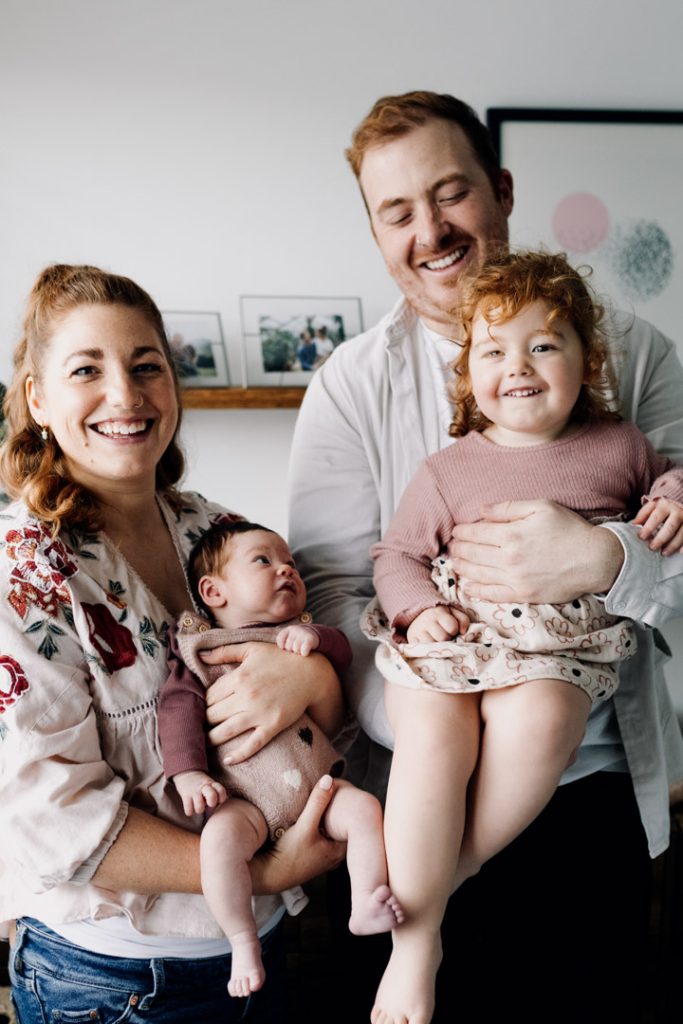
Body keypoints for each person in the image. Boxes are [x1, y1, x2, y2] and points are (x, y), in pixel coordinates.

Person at [287, 91, 683, 1024]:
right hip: (409, 792)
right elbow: (336, 588)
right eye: (396, 211)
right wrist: (443, 709)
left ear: (501, 190)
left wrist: (604, 558)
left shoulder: (634, 358)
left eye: (450, 193)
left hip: (592, 790)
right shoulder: (348, 386)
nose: (429, 231)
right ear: (376, 232)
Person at [0, 263, 348, 1024]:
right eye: (86, 370)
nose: (125, 395)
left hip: (264, 948)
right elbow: (46, 815)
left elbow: (323, 688)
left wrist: (314, 678)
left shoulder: (215, 531)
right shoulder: (23, 572)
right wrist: (260, 872)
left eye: (146, 366)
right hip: (115, 981)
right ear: (38, 399)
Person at [361, 248, 683, 1024]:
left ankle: (444, 882)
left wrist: (674, 493)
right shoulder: (447, 469)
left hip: (555, 650)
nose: (518, 366)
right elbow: (396, 556)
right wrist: (417, 609)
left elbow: (667, 482)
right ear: (466, 374)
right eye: (493, 350)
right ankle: (414, 946)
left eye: (543, 344)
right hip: (457, 634)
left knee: (544, 718)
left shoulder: (618, 445)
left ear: (587, 360)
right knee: (431, 731)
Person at [158, 519, 403, 998]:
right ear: (214, 591)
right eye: (263, 561)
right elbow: (177, 710)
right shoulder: (199, 651)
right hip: (244, 799)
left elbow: (342, 653)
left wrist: (318, 644)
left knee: (364, 808)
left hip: (319, 790)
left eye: (290, 562)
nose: (286, 569)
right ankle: (242, 940)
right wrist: (188, 775)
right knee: (218, 843)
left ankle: (364, 900)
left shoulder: (300, 633)